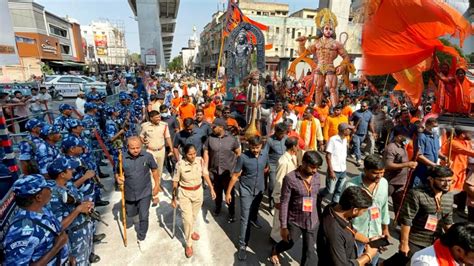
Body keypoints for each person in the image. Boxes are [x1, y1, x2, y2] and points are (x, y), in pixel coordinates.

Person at [3, 174, 69, 265]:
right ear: (38, 197)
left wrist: (67, 256)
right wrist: (57, 247)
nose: (51, 190)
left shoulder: (42, 209)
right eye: (47, 188)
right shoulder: (23, 230)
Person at [270, 151, 322, 265]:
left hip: (312, 221)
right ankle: (276, 249)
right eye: (312, 167)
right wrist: (283, 227)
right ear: (303, 163)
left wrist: (320, 218)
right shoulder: (290, 178)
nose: (315, 171)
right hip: (295, 220)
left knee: (309, 251)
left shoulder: (316, 177)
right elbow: (284, 203)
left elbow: (317, 198)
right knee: (289, 242)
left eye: (317, 168)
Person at [46, 157, 97, 264]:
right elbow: (58, 227)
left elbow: (74, 195)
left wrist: (86, 204)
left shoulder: (67, 184)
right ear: (62, 174)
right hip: (73, 240)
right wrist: (78, 210)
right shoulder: (53, 196)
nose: (73, 170)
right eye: (69, 169)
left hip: (83, 233)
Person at [226, 135, 269, 261]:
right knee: (245, 219)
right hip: (246, 191)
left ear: (261, 146)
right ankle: (242, 245)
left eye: (258, 147)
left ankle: (253, 219)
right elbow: (235, 176)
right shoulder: (243, 158)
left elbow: (266, 168)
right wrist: (228, 193)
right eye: (253, 147)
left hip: (260, 190)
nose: (255, 150)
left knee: (253, 213)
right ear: (249, 146)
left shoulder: (264, 155)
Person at [343, 155, 390, 266]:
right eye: (375, 173)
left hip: (375, 236)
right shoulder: (350, 185)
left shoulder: (384, 183)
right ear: (365, 170)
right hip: (356, 237)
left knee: (372, 263)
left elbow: (384, 208)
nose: (379, 176)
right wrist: (354, 234)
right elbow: (343, 215)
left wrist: (385, 229)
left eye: (382, 172)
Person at [398, 166, 455, 258]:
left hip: (435, 241)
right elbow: (406, 220)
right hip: (414, 240)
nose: (446, 184)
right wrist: (404, 244)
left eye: (449, 180)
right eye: (442, 180)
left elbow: (448, 221)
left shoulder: (449, 196)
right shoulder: (417, 194)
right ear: (431, 179)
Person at [171, 144, 216, 258]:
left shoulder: (200, 161)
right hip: (185, 194)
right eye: (189, 154)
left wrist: (211, 188)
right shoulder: (180, 164)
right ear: (184, 154)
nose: (192, 156)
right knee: (187, 219)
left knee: (193, 216)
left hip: (198, 192)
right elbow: (175, 182)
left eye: (194, 153)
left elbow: (205, 174)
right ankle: (189, 244)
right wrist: (173, 198)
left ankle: (191, 232)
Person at [317, 186, 378, 266]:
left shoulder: (334, 208)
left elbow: (349, 230)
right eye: (363, 211)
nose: (362, 214)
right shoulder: (334, 232)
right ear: (355, 210)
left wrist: (368, 240)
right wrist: (368, 256)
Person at [117, 136, 161, 248]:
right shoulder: (121, 158)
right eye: (133, 148)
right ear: (127, 147)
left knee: (144, 215)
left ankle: (142, 237)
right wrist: (118, 178)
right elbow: (117, 173)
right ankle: (134, 213)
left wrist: (157, 185)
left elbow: (155, 170)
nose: (136, 150)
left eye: (138, 147)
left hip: (145, 191)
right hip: (129, 192)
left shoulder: (148, 156)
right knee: (130, 213)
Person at [203, 118, 240, 222]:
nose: (212, 128)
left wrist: (235, 169)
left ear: (221, 127)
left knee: (230, 194)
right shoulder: (210, 138)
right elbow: (206, 151)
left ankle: (231, 213)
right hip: (215, 172)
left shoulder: (232, 139)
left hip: (228, 173)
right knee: (217, 193)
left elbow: (238, 153)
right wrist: (206, 166)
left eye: (214, 127)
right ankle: (218, 208)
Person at [140, 110, 173, 205]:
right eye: (157, 117)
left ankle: (157, 185)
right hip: (150, 151)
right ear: (151, 118)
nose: (159, 119)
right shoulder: (145, 126)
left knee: (159, 170)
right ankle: (155, 195)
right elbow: (141, 136)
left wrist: (171, 149)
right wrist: (143, 141)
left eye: (159, 117)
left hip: (161, 151)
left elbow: (168, 137)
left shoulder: (164, 125)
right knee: (151, 172)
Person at [318, 122, 353, 213]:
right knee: (330, 190)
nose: (350, 131)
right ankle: (319, 194)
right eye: (348, 129)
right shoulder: (333, 140)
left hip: (343, 169)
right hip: (334, 170)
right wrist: (331, 170)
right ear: (343, 130)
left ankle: (333, 207)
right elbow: (328, 155)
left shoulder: (345, 140)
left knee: (339, 190)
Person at [384, 126, 418, 214]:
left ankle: (398, 224)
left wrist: (411, 165)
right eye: (406, 136)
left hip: (401, 182)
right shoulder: (391, 148)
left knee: (399, 205)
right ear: (399, 136)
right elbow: (388, 165)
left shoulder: (403, 146)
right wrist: (407, 164)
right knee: (381, 202)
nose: (408, 138)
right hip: (391, 181)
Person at [270, 136, 299, 243]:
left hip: (289, 194)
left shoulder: (293, 158)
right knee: (279, 220)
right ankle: (275, 240)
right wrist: (277, 199)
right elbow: (278, 181)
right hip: (282, 195)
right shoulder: (283, 162)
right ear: (294, 147)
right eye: (297, 146)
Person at [412, 118, 446, 187]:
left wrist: (444, 157)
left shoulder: (436, 137)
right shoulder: (421, 137)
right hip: (422, 169)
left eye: (436, 127)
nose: (435, 128)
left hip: (432, 169)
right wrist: (433, 164)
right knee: (417, 188)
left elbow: (437, 152)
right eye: (433, 126)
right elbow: (419, 156)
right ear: (427, 126)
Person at [266, 122, 288, 210]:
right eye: (281, 133)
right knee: (273, 185)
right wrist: (267, 166)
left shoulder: (286, 138)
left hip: (284, 165)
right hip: (273, 166)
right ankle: (272, 204)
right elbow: (265, 154)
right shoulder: (270, 140)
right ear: (276, 132)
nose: (283, 135)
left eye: (284, 133)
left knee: (284, 185)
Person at [350, 101, 376, 167]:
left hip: (363, 133)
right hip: (356, 133)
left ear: (367, 107)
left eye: (364, 106)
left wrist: (373, 132)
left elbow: (370, 124)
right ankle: (358, 159)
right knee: (357, 145)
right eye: (361, 106)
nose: (362, 107)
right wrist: (352, 127)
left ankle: (352, 152)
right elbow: (350, 120)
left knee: (358, 145)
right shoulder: (356, 113)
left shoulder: (370, 114)